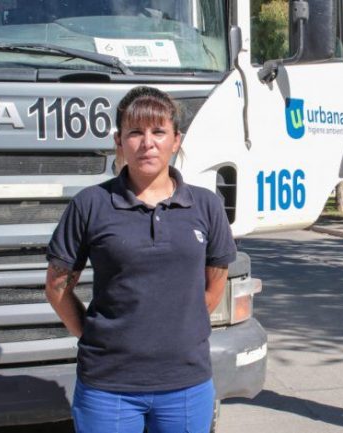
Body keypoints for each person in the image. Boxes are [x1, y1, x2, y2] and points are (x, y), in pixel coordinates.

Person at [45, 86, 236, 433]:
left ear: (176, 141)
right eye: (135, 132)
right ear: (119, 141)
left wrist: (181, 328)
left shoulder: (207, 206)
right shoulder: (90, 204)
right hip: (108, 386)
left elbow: (216, 282)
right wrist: (92, 336)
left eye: (159, 131)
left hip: (186, 382)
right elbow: (57, 286)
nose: (148, 143)